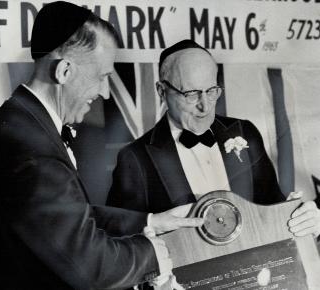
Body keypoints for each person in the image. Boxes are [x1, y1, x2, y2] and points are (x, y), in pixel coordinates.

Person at [0, 4, 203, 290]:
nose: (104, 93)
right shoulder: (33, 148)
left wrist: (152, 221)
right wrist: (151, 254)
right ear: (64, 71)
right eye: (102, 77)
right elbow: (88, 267)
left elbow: (67, 217)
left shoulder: (21, 123)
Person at [107, 39, 320, 238]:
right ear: (162, 91)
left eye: (211, 91)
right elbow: (121, 238)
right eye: (191, 94)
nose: (205, 106)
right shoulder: (134, 159)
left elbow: (272, 208)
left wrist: (299, 215)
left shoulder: (245, 133)